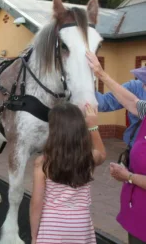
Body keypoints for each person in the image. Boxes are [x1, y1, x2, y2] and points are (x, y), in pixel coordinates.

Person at [86, 51, 146, 244]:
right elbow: (133, 103)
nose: (142, 85)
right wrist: (93, 77)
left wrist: (128, 176)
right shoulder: (137, 91)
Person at [30, 102, 106, 244]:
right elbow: (102, 153)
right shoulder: (88, 158)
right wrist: (93, 126)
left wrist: (34, 236)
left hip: (52, 226)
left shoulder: (43, 163)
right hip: (80, 225)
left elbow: (36, 202)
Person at [96, 66, 146, 148]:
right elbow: (105, 102)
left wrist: (101, 74)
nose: (143, 85)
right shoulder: (135, 87)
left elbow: (134, 104)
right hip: (135, 148)